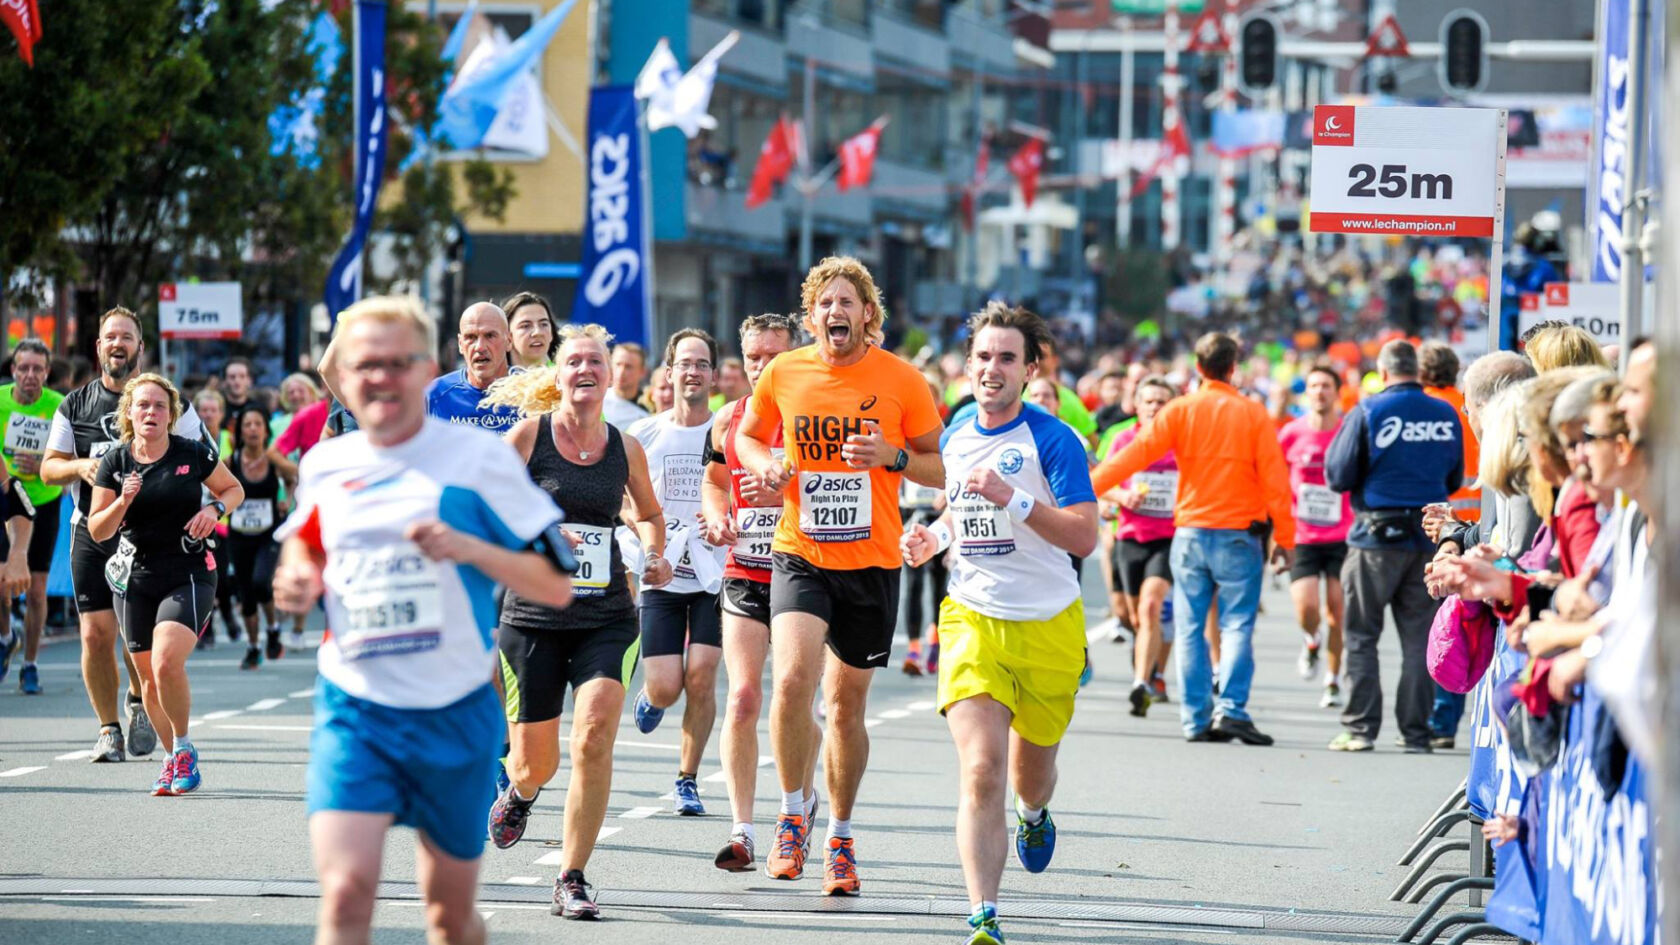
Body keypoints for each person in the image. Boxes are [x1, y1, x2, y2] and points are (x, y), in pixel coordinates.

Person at [272, 295, 576, 945]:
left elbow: (555, 582)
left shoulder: (482, 460)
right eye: (366, 365)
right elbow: (305, 538)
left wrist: (469, 548)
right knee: (346, 894)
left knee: (448, 916)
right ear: (345, 376)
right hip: (355, 708)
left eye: (398, 363)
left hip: (452, 711)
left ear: (426, 370)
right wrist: (297, 571)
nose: (381, 378)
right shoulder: (329, 463)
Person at [736, 256, 945, 894]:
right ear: (811, 316)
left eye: (846, 301)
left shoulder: (902, 380)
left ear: (867, 314)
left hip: (872, 564)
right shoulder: (785, 371)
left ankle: (841, 837)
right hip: (800, 552)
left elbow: (942, 466)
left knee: (845, 706)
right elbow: (747, 437)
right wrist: (766, 465)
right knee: (790, 680)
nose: (835, 311)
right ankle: (791, 815)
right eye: (824, 302)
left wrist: (893, 456)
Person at [900, 303, 1097, 945]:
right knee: (982, 769)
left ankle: (1033, 813)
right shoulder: (957, 432)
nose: (992, 368)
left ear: (1029, 369)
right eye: (983, 356)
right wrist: (932, 538)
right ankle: (983, 913)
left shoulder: (1054, 440)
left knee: (1028, 777)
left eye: (1007, 358)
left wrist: (1014, 498)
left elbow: (1085, 536)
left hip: (1048, 624)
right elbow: (957, 511)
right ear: (968, 364)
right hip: (971, 618)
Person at [478, 323, 666, 920]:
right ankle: (520, 791)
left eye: (596, 362)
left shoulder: (624, 448)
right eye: (575, 362)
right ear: (557, 376)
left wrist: (653, 552)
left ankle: (572, 876)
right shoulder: (527, 437)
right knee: (537, 762)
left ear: (610, 377)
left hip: (606, 615)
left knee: (593, 734)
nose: (586, 370)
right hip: (533, 617)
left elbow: (649, 514)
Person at [1090, 332, 1295, 745]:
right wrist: (1286, 539)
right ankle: (1231, 710)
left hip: (1189, 534)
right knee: (1236, 625)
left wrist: (1085, 488)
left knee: (1188, 626)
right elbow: (1276, 480)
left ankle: (1195, 719)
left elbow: (1133, 455)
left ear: (1198, 368)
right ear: (1233, 368)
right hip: (1239, 534)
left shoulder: (1180, 410)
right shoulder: (1252, 414)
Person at [43, 307, 206, 763]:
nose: (118, 344)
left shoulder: (166, 401)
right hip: (94, 532)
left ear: (140, 347)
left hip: (150, 539)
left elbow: (205, 459)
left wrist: (208, 510)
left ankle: (140, 698)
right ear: (99, 347)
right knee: (96, 635)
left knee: (145, 643)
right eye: (110, 336)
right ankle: (108, 729)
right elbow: (49, 468)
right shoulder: (74, 405)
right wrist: (81, 467)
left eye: (127, 337)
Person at [699, 313, 822, 873]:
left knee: (795, 703)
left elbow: (846, 491)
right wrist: (716, 517)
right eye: (753, 357)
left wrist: (786, 499)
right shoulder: (729, 418)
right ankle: (742, 831)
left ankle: (802, 799)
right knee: (744, 698)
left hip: (807, 575)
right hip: (745, 570)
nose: (762, 366)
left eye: (774, 356)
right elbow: (714, 482)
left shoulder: (812, 415)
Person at [87, 373, 245, 795]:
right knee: (148, 681)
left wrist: (214, 509)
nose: (151, 412)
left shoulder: (192, 452)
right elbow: (99, 530)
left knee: (165, 662)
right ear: (129, 413)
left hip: (188, 570)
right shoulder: (115, 462)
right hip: (135, 578)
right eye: (143, 405)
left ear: (171, 414)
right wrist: (123, 501)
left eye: (160, 406)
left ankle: (185, 747)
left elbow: (233, 489)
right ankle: (171, 757)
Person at [1324, 340, 1463, 753]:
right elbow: (1454, 477)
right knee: (1419, 640)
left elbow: (1337, 474)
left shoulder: (1368, 410)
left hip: (1374, 540)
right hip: (1428, 539)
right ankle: (1416, 733)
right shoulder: (1445, 413)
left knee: (1361, 635)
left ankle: (1361, 729)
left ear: (1383, 373)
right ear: (1417, 371)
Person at [624, 329, 728, 816]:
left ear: (713, 375)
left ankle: (687, 779)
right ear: (669, 373)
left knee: (702, 674)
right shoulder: (645, 433)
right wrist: (650, 534)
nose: (693, 372)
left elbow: (739, 489)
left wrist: (723, 520)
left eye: (702, 364)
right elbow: (622, 500)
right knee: (668, 686)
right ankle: (652, 696)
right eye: (684, 363)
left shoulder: (726, 432)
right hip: (662, 571)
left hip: (713, 571)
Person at [1103, 375, 1178, 717]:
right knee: (1129, 615)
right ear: (1136, 405)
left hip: (1168, 538)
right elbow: (1101, 483)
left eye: (1161, 402)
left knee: (1150, 606)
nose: (1154, 407)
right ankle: (1149, 668)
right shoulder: (1124, 440)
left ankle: (1141, 683)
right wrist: (1123, 497)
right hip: (1130, 536)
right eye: (1149, 401)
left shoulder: (1181, 443)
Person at [1277, 366, 1353, 709]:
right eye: (1314, 386)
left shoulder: (1348, 431)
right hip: (1303, 535)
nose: (1320, 391)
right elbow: (1276, 481)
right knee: (1307, 609)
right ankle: (1311, 640)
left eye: (1326, 385)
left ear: (1336, 391)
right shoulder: (1291, 433)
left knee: (1337, 612)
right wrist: (1276, 534)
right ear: (1306, 392)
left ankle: (1333, 680)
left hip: (1343, 535)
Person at [0, 338, 65, 694]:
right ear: (13, 370)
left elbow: (71, 460)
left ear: (47, 372)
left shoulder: (59, 406)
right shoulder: (0, 402)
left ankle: (30, 664)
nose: (29, 375)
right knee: (2, 583)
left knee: (37, 592)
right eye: (23, 367)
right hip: (6, 498)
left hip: (44, 501)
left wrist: (42, 465)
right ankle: (6, 637)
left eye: (37, 369)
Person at [228, 405, 286, 669]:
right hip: (239, 536)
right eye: (247, 425)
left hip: (268, 534)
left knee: (261, 582)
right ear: (240, 431)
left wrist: (288, 498)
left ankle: (272, 628)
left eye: (257, 424)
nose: (252, 429)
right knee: (246, 594)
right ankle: (253, 647)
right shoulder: (231, 461)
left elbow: (297, 476)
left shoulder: (274, 459)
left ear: (266, 430)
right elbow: (214, 486)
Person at [422, 303, 521, 432]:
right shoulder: (434, 395)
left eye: (490, 336)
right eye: (471, 337)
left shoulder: (532, 394)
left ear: (509, 340)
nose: (480, 347)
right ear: (460, 344)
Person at [504, 290, 557, 372]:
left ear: (551, 334)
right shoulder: (493, 378)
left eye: (544, 324)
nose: (538, 332)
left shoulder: (566, 377)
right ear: (508, 338)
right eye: (526, 326)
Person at [604, 341, 651, 430]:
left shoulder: (651, 408)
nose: (621, 372)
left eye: (628, 367)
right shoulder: (596, 401)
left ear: (642, 372)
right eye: (618, 364)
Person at [221, 357, 256, 431]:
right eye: (232, 377)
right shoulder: (216, 409)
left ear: (250, 381)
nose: (237, 381)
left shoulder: (258, 410)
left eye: (242, 376)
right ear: (224, 381)